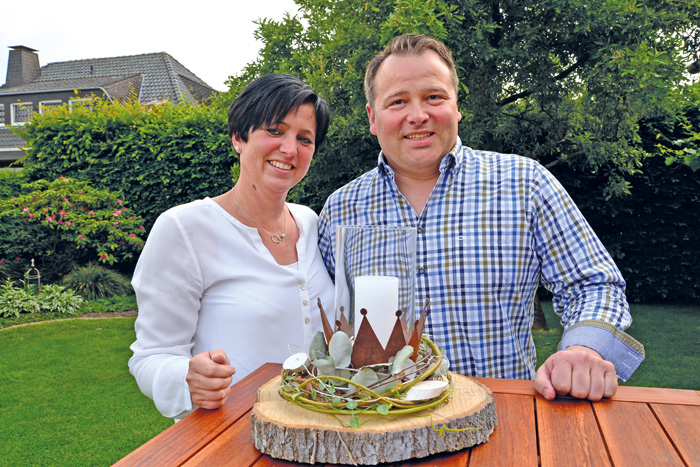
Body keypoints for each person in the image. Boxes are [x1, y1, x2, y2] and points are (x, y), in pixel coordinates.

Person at [318, 34, 644, 401]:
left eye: (434, 97)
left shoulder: (525, 183)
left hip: (504, 419)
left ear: (456, 106)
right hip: (384, 425)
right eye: (397, 101)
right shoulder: (341, 209)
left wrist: (584, 349)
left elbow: (593, 283)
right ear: (373, 117)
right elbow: (331, 319)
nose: (418, 115)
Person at [129, 74, 334, 420]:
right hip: (230, 439)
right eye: (275, 130)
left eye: (304, 138)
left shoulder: (312, 223)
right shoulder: (184, 228)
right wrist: (187, 379)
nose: (289, 149)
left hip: (318, 435)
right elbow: (150, 356)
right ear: (239, 137)